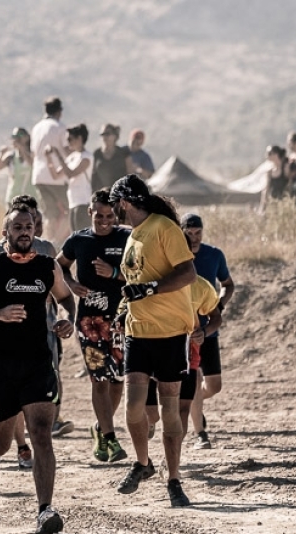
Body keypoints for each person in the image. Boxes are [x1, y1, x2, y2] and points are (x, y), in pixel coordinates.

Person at [0, 204, 75, 534]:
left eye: (29, 226)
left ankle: (45, 510)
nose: (25, 231)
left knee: (41, 434)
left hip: (38, 363)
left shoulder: (47, 267)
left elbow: (65, 298)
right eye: (17, 227)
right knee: (2, 441)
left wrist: (67, 319)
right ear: (5, 233)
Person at [108, 175, 197, 507]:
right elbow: (133, 280)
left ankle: (173, 479)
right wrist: (123, 307)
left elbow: (187, 273)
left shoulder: (164, 228)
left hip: (170, 332)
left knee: (169, 408)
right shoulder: (133, 235)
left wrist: (150, 289)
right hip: (137, 332)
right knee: (133, 409)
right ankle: (143, 464)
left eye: (117, 204)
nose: (116, 210)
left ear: (125, 203)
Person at [57, 190, 130, 462]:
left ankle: (100, 428)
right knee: (99, 380)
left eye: (110, 215)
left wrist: (113, 273)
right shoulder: (78, 239)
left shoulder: (126, 237)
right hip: (90, 321)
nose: (104, 221)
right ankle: (111, 440)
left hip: (122, 319)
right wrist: (71, 284)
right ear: (90, 212)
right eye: (99, 215)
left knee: (118, 380)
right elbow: (59, 266)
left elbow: (142, 273)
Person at [180, 213, 234, 449]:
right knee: (195, 379)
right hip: (183, 331)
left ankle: (194, 404)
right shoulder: (177, 257)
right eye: (189, 233)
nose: (194, 237)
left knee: (213, 386)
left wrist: (218, 306)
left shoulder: (214, 255)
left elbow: (228, 284)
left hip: (209, 328)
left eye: (197, 232)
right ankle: (200, 433)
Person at [31, 96, 70, 239]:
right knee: (69, 210)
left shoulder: (36, 128)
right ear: (59, 111)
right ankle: (58, 241)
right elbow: (67, 150)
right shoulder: (59, 127)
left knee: (49, 214)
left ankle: (49, 241)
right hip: (56, 177)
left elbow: (34, 152)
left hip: (39, 176)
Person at [45, 124, 94, 233]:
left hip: (83, 202)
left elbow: (71, 173)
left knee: (82, 236)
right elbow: (56, 176)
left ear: (80, 138)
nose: (68, 142)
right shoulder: (72, 157)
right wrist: (49, 158)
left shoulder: (87, 157)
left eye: (70, 139)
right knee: (74, 235)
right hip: (72, 202)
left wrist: (58, 155)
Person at [0, 127, 37, 206]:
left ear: (27, 138)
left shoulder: (33, 154)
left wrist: (22, 149)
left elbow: (32, 164)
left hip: (29, 199)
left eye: (19, 137)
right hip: (13, 198)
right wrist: (1, 154)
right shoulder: (11, 156)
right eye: (14, 137)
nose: (16, 140)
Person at [91, 123, 133, 192]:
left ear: (115, 136)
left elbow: (130, 175)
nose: (104, 137)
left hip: (120, 194)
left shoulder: (124, 153)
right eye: (102, 134)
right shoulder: (96, 154)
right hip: (102, 195)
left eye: (107, 134)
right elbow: (93, 175)